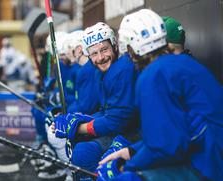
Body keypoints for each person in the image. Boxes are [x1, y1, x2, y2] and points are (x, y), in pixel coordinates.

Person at [97, 9, 223, 181]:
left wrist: (124, 167)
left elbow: (166, 147)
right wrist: (130, 151)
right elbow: (178, 129)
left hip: (209, 166)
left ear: (131, 49)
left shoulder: (153, 75)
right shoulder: (184, 62)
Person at [53, 22, 139, 179]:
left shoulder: (123, 70)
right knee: (82, 153)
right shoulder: (100, 72)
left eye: (104, 49)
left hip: (134, 134)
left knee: (94, 159)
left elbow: (118, 121)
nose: (100, 58)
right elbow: (107, 112)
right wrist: (79, 119)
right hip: (121, 131)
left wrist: (79, 127)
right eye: (94, 53)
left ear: (114, 45)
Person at [66, 30, 100, 115]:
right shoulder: (85, 69)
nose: (67, 52)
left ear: (79, 49)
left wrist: (65, 113)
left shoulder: (86, 71)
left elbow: (86, 106)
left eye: (70, 48)